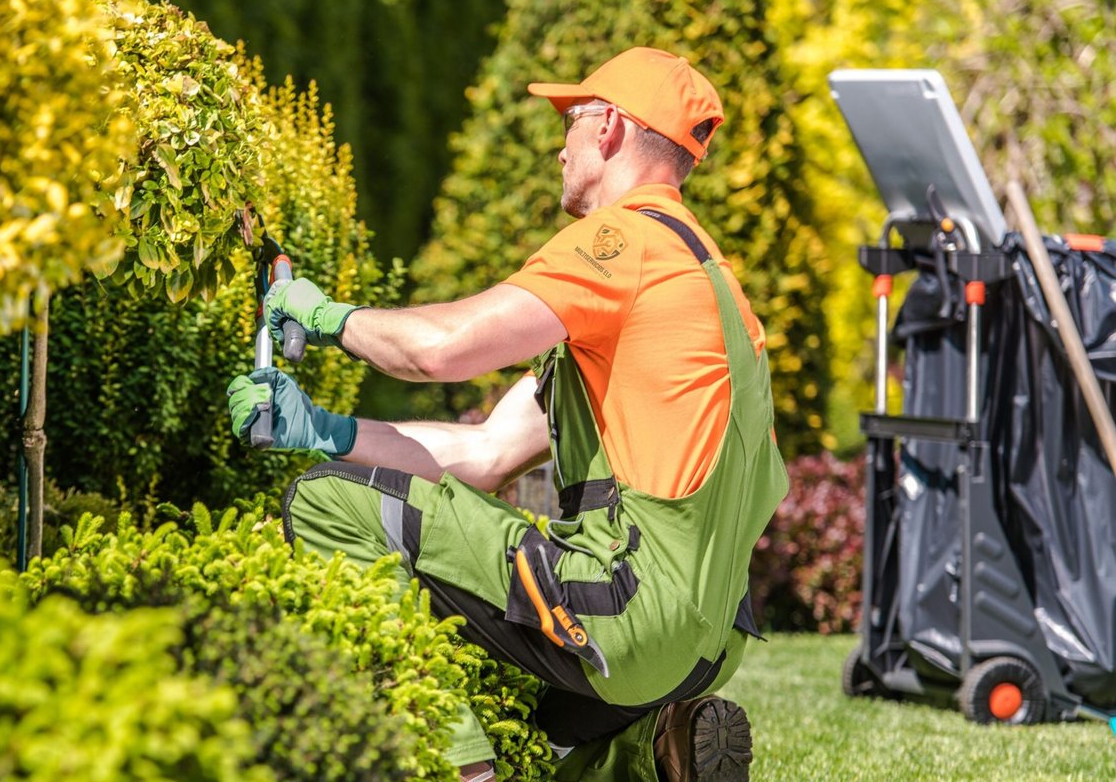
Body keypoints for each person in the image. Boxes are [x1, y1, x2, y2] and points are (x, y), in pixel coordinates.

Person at [226, 47, 788, 782]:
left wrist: (327, 315)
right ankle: (654, 745)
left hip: (627, 607)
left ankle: (455, 767)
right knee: (539, 722)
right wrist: (324, 429)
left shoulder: (622, 245)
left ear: (611, 128)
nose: (561, 144)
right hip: (705, 644)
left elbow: (439, 351)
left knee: (328, 503)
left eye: (572, 120)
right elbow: (489, 452)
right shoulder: (709, 281)